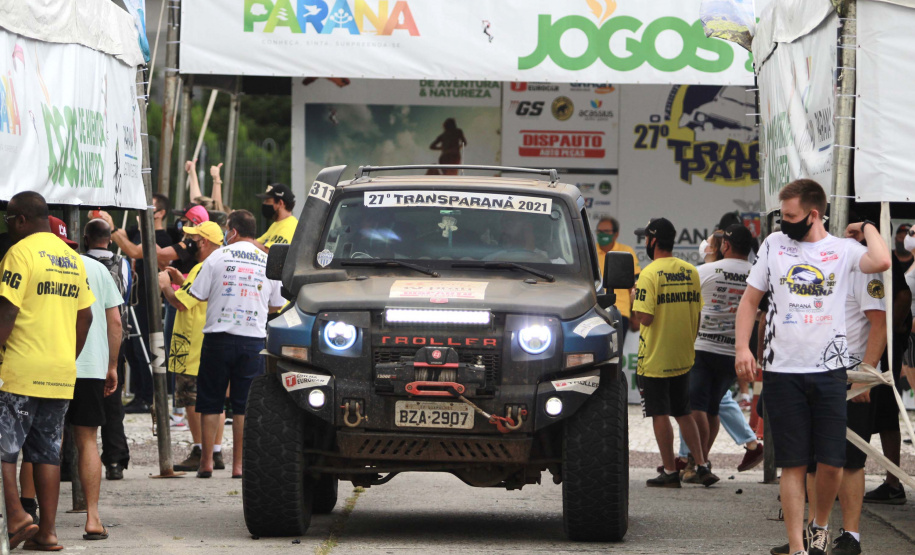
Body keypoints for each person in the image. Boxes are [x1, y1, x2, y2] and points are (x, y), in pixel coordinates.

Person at [735, 179, 891, 555]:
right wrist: (742, 347)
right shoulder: (773, 245)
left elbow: (883, 260)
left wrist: (867, 227)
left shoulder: (843, 250)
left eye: (790, 216)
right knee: (793, 464)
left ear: (813, 214)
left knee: (832, 463)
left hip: (829, 370)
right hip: (782, 370)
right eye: (781, 215)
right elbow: (749, 301)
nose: (783, 222)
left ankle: (820, 524)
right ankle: (797, 547)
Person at [0, 192, 95, 550]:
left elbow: (7, 312)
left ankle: (17, 517)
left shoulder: (19, 254)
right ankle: (48, 533)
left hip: (22, 369)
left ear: (22, 219)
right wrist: (67, 355)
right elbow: (85, 316)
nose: (7, 227)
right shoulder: (73, 259)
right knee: (47, 453)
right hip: (59, 372)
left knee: (5, 448)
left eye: (8, 220)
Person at [185, 211, 285, 478]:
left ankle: (206, 462)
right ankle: (239, 466)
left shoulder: (217, 256)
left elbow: (198, 293)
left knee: (210, 402)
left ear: (233, 231)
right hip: (252, 340)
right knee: (243, 406)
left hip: (218, 338)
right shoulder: (267, 261)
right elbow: (277, 304)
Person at [631, 217, 718, 488]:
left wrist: (635, 299)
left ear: (653, 241)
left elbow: (643, 318)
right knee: (683, 412)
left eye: (646, 238)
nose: (645, 242)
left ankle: (670, 470)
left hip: (655, 357)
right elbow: (698, 312)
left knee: (660, 413)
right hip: (683, 355)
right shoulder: (691, 270)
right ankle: (701, 464)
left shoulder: (649, 273)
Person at [685, 224, 762, 476]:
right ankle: (700, 462)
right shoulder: (757, 274)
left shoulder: (704, 271)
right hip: (735, 353)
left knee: (696, 408)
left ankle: (700, 463)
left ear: (725, 246)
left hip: (703, 349)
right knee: (713, 408)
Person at [66, 219, 124, 541]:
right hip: (90, 366)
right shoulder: (99, 270)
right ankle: (92, 518)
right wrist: (111, 365)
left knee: (44, 439)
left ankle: (35, 516)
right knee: (87, 439)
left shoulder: (36, 262)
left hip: (51, 364)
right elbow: (115, 320)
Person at [157, 221, 228, 472]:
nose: (189, 243)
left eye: (194, 239)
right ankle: (215, 451)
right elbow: (197, 293)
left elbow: (182, 303)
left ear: (204, 242)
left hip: (192, 345)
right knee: (214, 400)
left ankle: (200, 449)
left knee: (192, 399)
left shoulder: (202, 266)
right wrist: (181, 279)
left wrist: (166, 286)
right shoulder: (216, 264)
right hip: (206, 342)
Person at [107, 193, 174, 412]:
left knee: (147, 346)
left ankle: (149, 395)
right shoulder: (137, 231)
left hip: (149, 299)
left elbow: (133, 250)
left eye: (149, 208)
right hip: (132, 298)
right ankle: (138, 394)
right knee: (132, 349)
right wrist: (105, 222)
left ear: (161, 213)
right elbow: (120, 237)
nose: (141, 212)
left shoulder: (162, 238)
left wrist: (112, 226)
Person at [863, 223, 912, 505]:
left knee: (881, 412)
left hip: (874, 348)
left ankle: (891, 482)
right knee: (884, 414)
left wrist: (889, 332)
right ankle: (891, 482)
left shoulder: (876, 254)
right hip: (873, 346)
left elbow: (904, 295)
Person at [82, 219, 132, 481]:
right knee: (113, 404)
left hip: (82, 340)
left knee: (75, 409)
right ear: (110, 239)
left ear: (86, 238)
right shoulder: (122, 263)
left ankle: (69, 464)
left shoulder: (77, 262)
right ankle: (115, 461)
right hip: (113, 339)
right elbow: (127, 297)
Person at [595, 217, 641, 345]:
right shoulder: (590, 252)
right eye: (599, 231)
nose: (602, 234)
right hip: (594, 311)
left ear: (616, 234)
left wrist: (635, 313)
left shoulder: (626, 252)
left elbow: (633, 285)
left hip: (620, 311)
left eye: (606, 231)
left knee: (616, 351)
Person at [255, 183, 297, 251]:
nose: (264, 204)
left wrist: (246, 239)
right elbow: (257, 243)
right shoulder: (277, 224)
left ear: (280, 203)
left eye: (267, 201)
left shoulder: (289, 227)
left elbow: (271, 253)